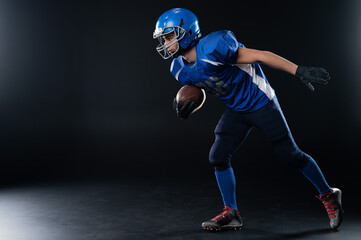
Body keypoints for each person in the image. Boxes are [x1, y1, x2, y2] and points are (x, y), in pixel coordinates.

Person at [153, 8, 343, 231]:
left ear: (185, 33)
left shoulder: (215, 46)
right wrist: (190, 105)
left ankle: (329, 195)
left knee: (291, 156)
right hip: (237, 109)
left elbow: (261, 55)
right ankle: (231, 213)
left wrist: (298, 70)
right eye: (163, 39)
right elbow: (202, 86)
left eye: (168, 37)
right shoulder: (178, 69)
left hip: (261, 102)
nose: (165, 43)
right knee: (218, 156)